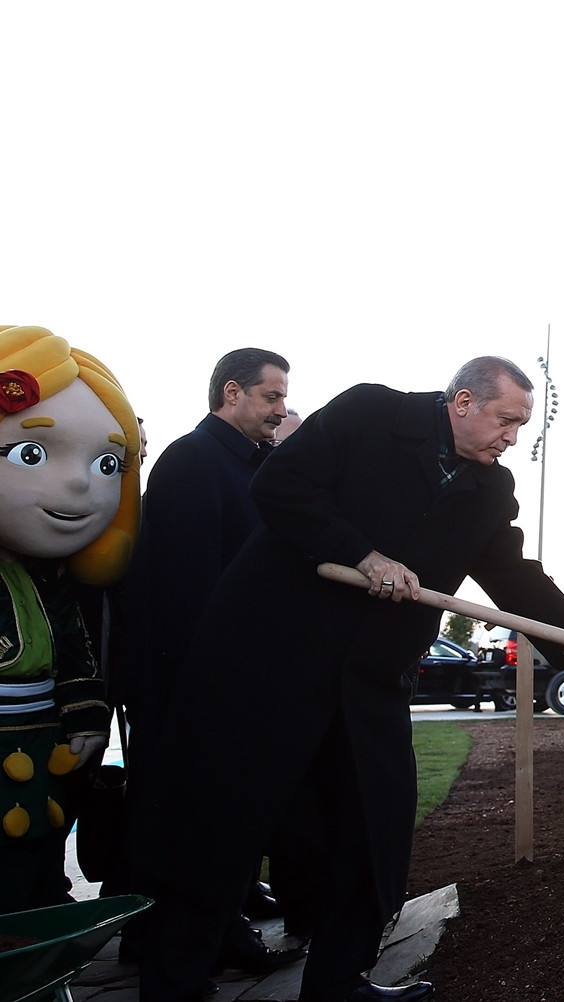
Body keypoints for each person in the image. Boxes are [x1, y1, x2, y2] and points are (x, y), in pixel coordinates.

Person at [134, 356, 564, 1002]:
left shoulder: (488, 490)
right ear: (464, 403)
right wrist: (363, 555)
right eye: (506, 421)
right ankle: (173, 984)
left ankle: (338, 982)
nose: (513, 437)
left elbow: (516, 580)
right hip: (269, 663)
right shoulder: (370, 414)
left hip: (369, 680)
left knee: (374, 829)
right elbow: (279, 487)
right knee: (223, 820)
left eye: (521, 426)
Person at [115, 348, 305, 976]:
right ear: (231, 393)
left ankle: (197, 932)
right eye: (272, 397)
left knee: (210, 818)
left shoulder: (252, 465)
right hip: (190, 682)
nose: (281, 410)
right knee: (184, 820)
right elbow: (185, 590)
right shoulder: (192, 462)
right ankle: (188, 943)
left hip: (227, 677)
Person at [0, 326, 139, 913]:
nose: (81, 483)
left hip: (39, 741)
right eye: (31, 453)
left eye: (107, 464)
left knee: (36, 846)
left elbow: (73, 647)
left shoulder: (52, 581)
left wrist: (84, 713)